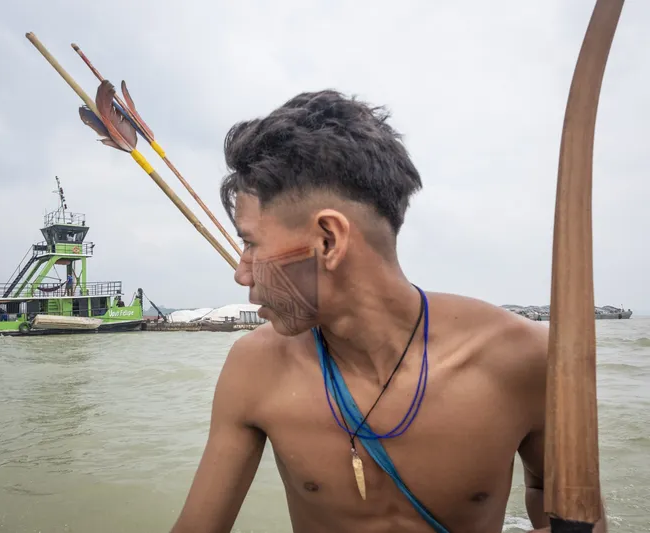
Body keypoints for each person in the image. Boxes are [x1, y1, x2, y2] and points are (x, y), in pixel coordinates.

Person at [169, 91, 607, 533]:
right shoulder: (255, 367)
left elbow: (571, 511)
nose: (242, 275)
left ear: (327, 240)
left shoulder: (522, 359)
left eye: (250, 244)